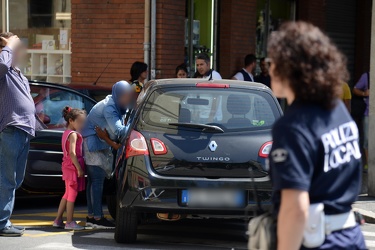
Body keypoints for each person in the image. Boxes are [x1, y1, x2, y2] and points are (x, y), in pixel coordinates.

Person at [267, 22, 365, 250]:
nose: (269, 69)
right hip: (350, 236)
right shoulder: (336, 109)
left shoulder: (292, 127)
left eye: (272, 63)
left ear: (290, 68)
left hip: (318, 241)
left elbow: (295, 209)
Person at [0, 32, 45, 237]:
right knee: (7, 180)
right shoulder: (3, 66)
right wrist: (8, 45)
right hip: (11, 128)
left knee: (15, 181)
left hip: (24, 129)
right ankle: (2, 223)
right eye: (16, 45)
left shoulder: (16, 71)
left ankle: (3, 220)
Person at [82, 80, 134, 229]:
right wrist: (136, 125)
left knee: (93, 182)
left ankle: (92, 216)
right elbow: (119, 131)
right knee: (96, 182)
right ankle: (97, 219)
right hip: (95, 147)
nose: (127, 98)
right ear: (118, 95)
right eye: (125, 95)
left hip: (95, 145)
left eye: (128, 95)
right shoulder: (110, 108)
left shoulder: (115, 103)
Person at [53, 107, 86, 230]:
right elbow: (72, 153)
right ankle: (70, 222)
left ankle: (58, 220)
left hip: (67, 166)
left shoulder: (66, 133)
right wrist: (79, 168)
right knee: (72, 194)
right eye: (80, 122)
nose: (82, 125)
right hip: (72, 167)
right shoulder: (73, 135)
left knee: (67, 194)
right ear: (71, 121)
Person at [353, 72, 370, 170]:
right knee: (367, 139)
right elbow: (355, 89)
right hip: (368, 113)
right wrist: (364, 93)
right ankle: (368, 163)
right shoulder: (366, 76)